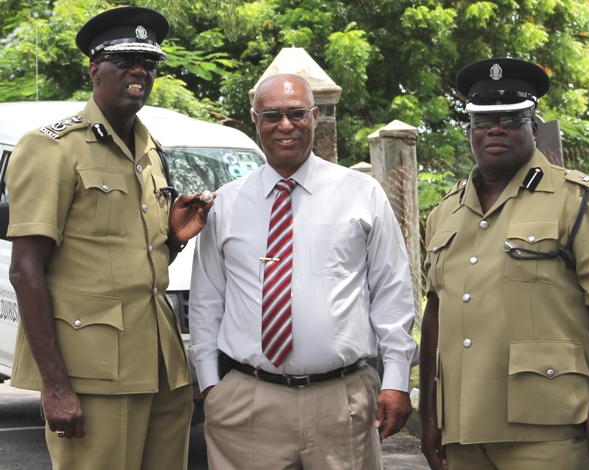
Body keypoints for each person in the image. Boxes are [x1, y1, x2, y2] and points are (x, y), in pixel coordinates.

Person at [7, 7, 213, 470]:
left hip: (161, 366)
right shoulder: (52, 147)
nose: (139, 71)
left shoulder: (150, 150)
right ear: (95, 69)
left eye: (149, 62)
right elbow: (25, 269)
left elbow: (130, 254)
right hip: (93, 373)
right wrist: (55, 385)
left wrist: (174, 241)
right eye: (125, 60)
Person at [188, 73, 418, 469]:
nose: (285, 125)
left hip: (340, 402)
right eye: (272, 115)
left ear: (314, 116)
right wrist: (211, 385)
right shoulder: (225, 205)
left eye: (297, 113)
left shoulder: (361, 194)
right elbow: (206, 300)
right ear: (255, 120)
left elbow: (392, 293)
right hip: (247, 405)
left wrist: (397, 379)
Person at [419, 57, 589, 470]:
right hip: (463, 429)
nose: (495, 129)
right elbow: (436, 312)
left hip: (548, 426)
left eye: (511, 118)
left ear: (534, 128)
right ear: (470, 130)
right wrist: (430, 417)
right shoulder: (444, 213)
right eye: (483, 120)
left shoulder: (578, 200)